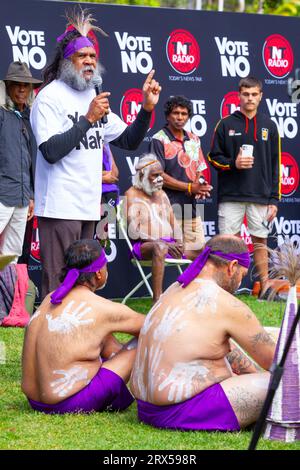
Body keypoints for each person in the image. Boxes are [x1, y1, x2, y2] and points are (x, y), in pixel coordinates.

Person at [30, 8, 161, 299]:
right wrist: (87, 119)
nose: (89, 61)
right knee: (58, 279)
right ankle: (50, 338)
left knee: (84, 281)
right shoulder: (49, 97)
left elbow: (128, 139)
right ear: (67, 60)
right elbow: (50, 151)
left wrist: (147, 109)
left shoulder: (92, 97)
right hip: (60, 205)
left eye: (92, 56)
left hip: (89, 204)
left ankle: (77, 336)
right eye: (82, 56)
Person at [130, 235, 276, 432]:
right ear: (232, 267)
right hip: (183, 410)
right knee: (285, 382)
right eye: (241, 275)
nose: (240, 282)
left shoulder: (174, 288)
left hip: (147, 409)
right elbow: (276, 363)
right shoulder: (226, 303)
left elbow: (221, 347)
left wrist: (252, 375)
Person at [22, 239, 145, 414]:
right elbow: (155, 326)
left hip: (35, 401)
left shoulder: (50, 298)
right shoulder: (102, 308)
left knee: (100, 332)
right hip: (66, 402)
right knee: (143, 340)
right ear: (99, 274)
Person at [208, 76, 281, 299]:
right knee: (228, 242)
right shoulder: (226, 123)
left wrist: (274, 199)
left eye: (254, 94)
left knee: (260, 240)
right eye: (245, 94)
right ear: (239, 95)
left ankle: (265, 287)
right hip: (231, 195)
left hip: (260, 195)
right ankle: (224, 289)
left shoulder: (270, 125)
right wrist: (233, 163)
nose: (249, 98)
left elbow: (275, 164)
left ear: (260, 96)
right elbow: (213, 158)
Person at [150, 95, 212, 259]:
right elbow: (158, 174)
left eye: (184, 114)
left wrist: (200, 186)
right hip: (167, 208)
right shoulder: (159, 139)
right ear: (167, 116)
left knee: (199, 253)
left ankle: (191, 285)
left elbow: (199, 168)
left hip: (189, 208)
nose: (180, 117)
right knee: (168, 255)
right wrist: (190, 187)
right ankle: (174, 286)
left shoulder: (194, 139)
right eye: (176, 113)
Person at [125, 154, 187, 304]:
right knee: (159, 247)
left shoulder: (162, 194)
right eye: (155, 176)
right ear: (142, 176)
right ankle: (157, 301)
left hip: (170, 245)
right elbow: (134, 232)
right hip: (147, 246)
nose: (160, 179)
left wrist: (180, 242)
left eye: (161, 175)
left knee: (203, 248)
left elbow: (175, 224)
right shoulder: (131, 194)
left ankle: (191, 297)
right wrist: (163, 243)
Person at [0, 61, 41, 261]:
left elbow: (29, 162)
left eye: (26, 85)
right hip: (2, 194)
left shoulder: (30, 118)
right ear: (8, 87)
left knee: (12, 255)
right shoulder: (1, 114)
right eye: (17, 84)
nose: (22, 89)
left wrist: (31, 195)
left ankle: (5, 293)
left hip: (23, 198)